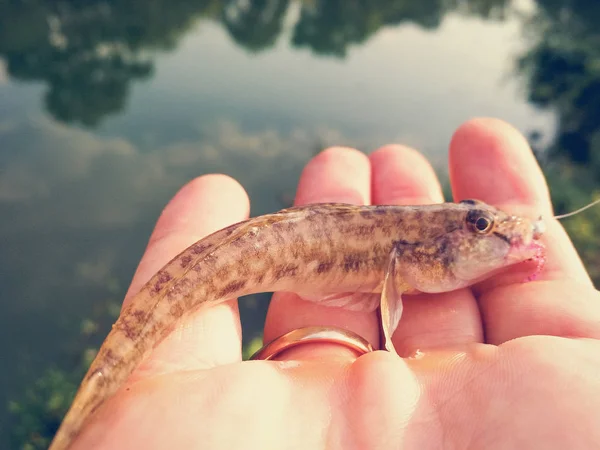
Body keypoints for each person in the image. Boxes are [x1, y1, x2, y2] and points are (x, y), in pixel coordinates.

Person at [71, 118, 600, 449]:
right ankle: (84, 414)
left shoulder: (421, 249)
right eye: (478, 224)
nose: (495, 231)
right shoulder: (414, 250)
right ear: (421, 250)